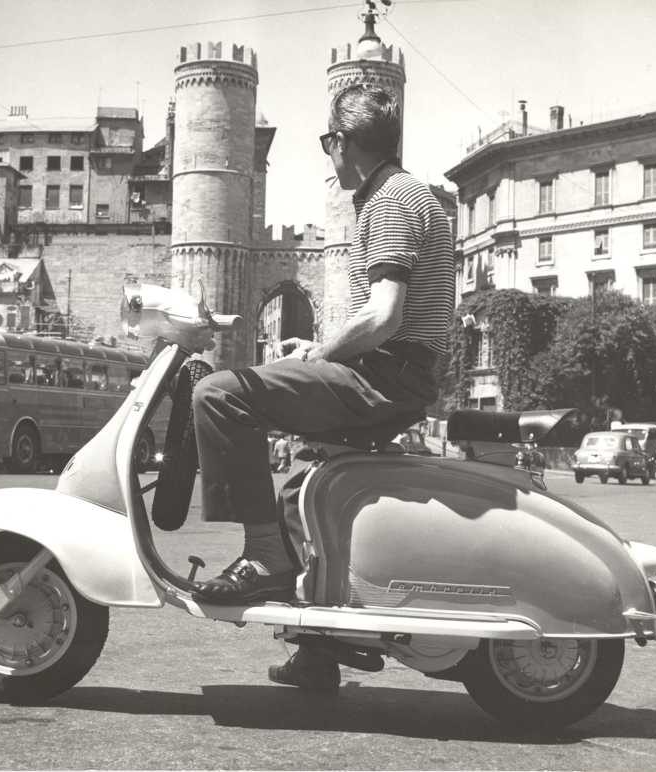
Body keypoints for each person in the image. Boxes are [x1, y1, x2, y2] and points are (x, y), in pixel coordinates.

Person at [189, 83, 454, 688]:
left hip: (385, 376)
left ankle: (263, 557)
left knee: (219, 394)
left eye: (326, 142)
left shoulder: (390, 199)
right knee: (302, 490)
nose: (328, 154)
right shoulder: (405, 194)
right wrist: (320, 351)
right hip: (399, 374)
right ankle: (317, 649)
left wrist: (320, 351)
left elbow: (384, 314)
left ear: (342, 142)